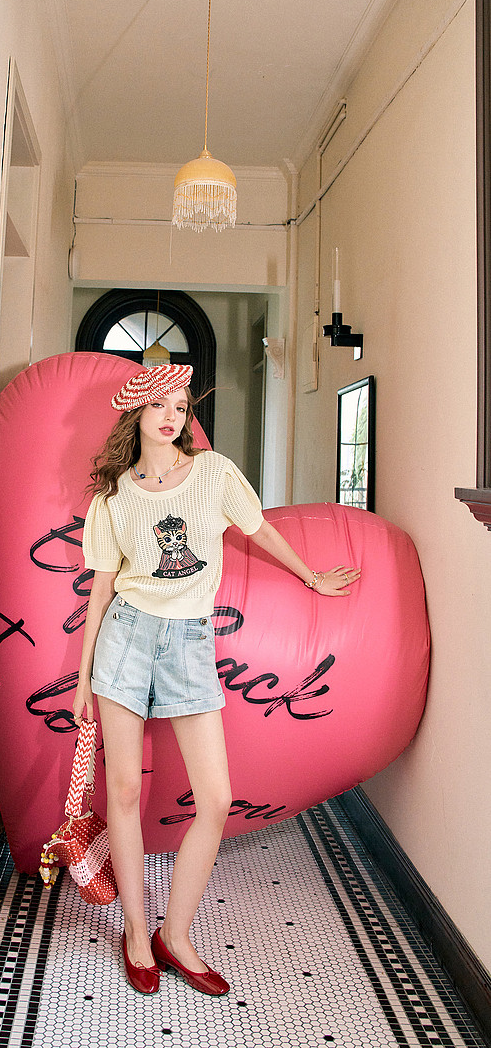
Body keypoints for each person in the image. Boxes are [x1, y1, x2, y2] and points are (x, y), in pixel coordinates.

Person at [72, 363, 360, 996]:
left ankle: (176, 935)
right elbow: (100, 590)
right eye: (160, 405)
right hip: (125, 638)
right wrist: (83, 676)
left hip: (188, 641)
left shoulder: (213, 473)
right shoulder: (113, 496)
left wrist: (311, 577)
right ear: (137, 415)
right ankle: (137, 933)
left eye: (180, 406)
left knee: (216, 797)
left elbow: (259, 529)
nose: (172, 416)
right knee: (123, 790)